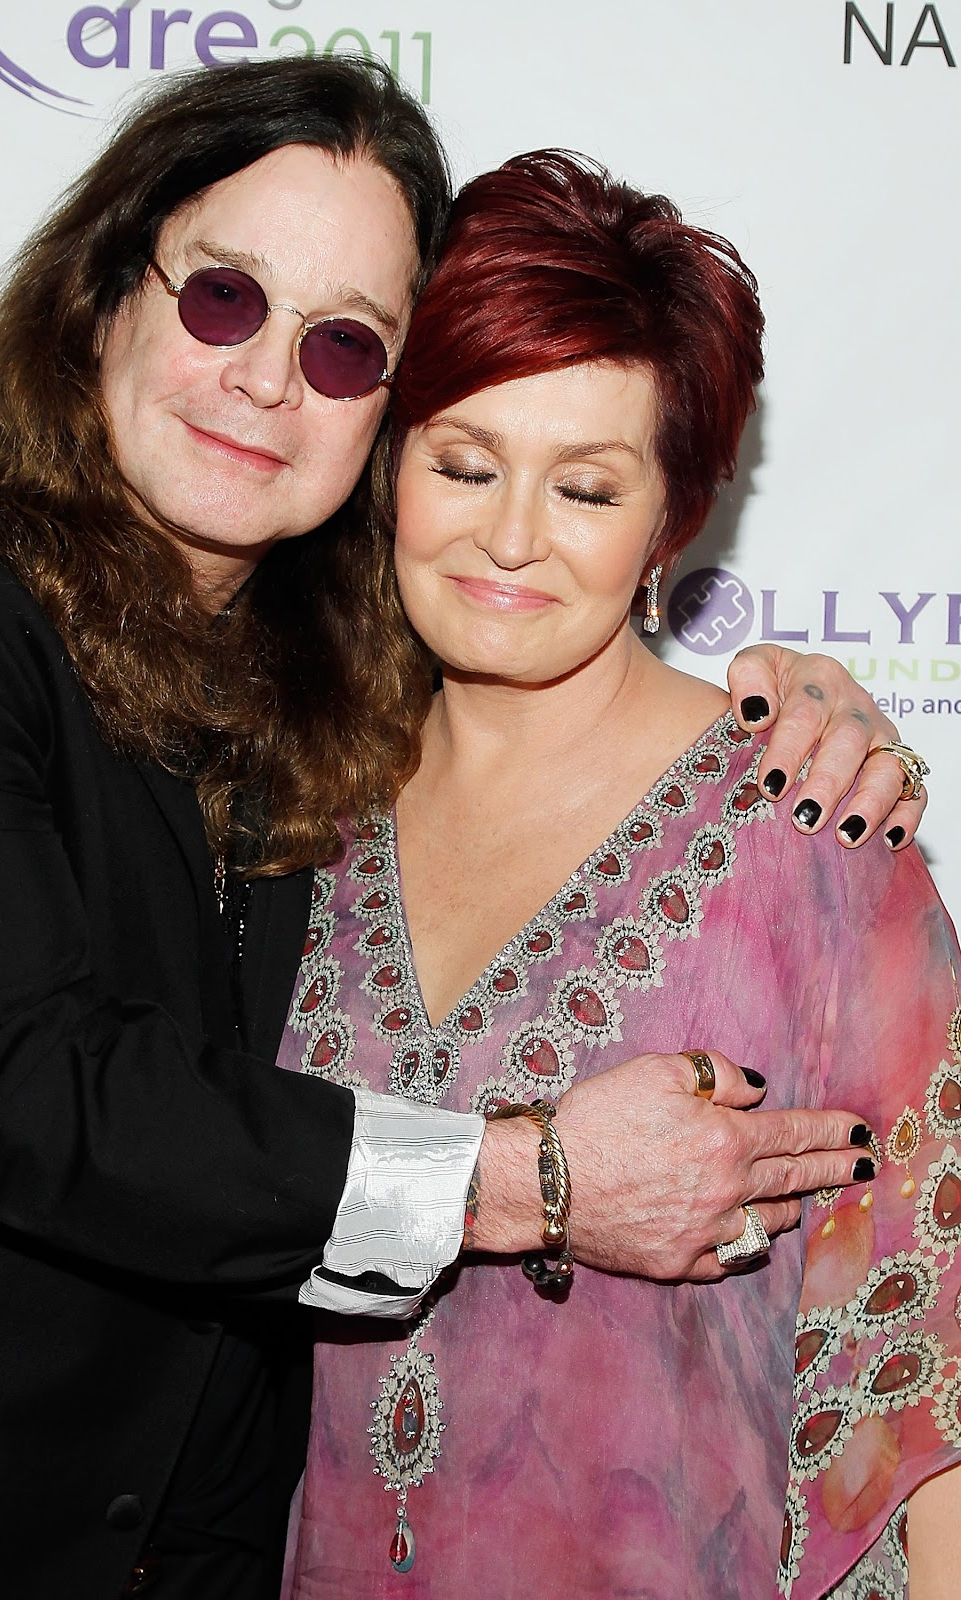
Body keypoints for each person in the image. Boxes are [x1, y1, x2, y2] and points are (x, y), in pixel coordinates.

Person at [0, 58, 924, 1600]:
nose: (269, 378)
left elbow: (911, 1351)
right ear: (101, 293)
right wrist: (538, 1178)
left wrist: (806, 702)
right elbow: (35, 1092)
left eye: (344, 345)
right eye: (223, 300)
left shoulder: (326, 676)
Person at [277, 151, 959, 1599]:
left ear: (669, 525)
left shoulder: (811, 831)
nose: (508, 538)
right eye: (463, 464)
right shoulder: (280, 815)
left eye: (583, 488)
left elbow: (928, 1375)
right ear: (387, 467)